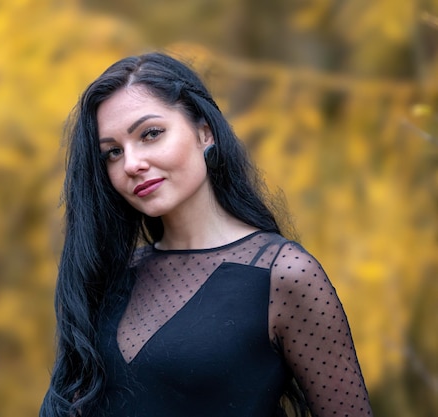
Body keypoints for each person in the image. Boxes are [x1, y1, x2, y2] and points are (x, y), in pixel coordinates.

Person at [40, 52, 373, 417]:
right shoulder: (112, 276)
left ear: (205, 133)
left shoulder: (283, 275)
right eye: (112, 153)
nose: (131, 164)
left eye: (150, 134)